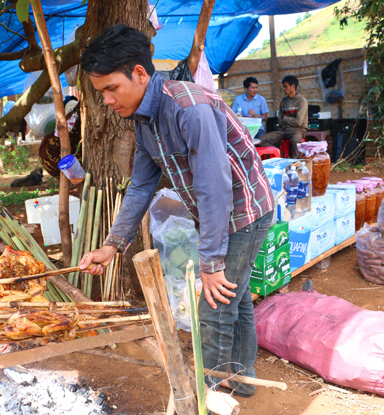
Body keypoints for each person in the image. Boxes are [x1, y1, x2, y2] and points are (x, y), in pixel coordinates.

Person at [78, 24, 275, 396]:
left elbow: (214, 187)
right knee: (235, 296)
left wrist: (212, 262)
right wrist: (112, 245)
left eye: (110, 89)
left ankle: (214, 396)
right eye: (100, 92)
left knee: (216, 306)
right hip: (219, 212)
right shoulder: (144, 120)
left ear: (139, 73)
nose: (106, 101)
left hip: (246, 211)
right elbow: (139, 187)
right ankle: (242, 382)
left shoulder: (189, 107)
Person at [257, 75, 308, 158]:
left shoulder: (302, 101)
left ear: (293, 86)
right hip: (284, 129)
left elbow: (298, 122)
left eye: (285, 86)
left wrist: (285, 119)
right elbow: (279, 120)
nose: (283, 89)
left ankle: (294, 161)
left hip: (298, 130)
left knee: (295, 140)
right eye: (283, 86)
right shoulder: (283, 101)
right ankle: (279, 156)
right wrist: (288, 120)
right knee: (261, 140)